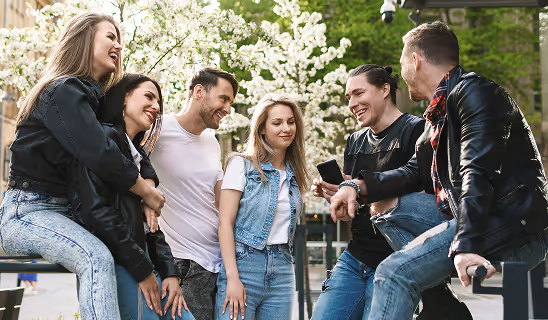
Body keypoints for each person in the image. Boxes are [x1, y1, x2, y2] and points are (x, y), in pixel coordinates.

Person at [329, 21, 548, 320]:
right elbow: (411, 173)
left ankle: (435, 297)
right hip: (468, 216)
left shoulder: (475, 92)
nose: (401, 74)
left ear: (415, 60)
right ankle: (438, 299)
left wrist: (467, 245)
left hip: (513, 224)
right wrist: (355, 186)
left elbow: (477, 172)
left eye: (403, 62)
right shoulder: (435, 117)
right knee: (383, 206)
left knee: (392, 272)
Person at [0, 12, 165, 320]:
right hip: (28, 212)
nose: (118, 44)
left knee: (119, 253)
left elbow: (127, 148)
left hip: (68, 215)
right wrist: (144, 191)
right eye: (110, 37)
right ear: (85, 39)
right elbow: (100, 153)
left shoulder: (94, 101)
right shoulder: (62, 90)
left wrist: (149, 189)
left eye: (120, 39)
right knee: (95, 257)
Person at [310, 64, 471, 320]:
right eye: (348, 97)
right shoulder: (354, 141)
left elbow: (424, 200)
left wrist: (360, 188)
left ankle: (438, 294)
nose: (352, 103)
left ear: (385, 89)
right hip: (356, 256)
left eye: (359, 93)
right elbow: (361, 206)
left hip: (396, 259)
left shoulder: (417, 130)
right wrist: (342, 196)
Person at [70, 74, 195, 320]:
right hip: (121, 264)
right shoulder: (103, 142)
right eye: (148, 97)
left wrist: (169, 272)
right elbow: (96, 210)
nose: (157, 107)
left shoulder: (137, 156)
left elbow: (150, 225)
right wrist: (142, 270)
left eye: (159, 102)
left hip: (145, 264)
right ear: (125, 98)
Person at [149, 68, 239, 320]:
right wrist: (146, 196)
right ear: (199, 92)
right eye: (223, 99)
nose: (228, 109)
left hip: (219, 264)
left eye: (230, 102)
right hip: (184, 264)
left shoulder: (212, 140)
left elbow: (219, 200)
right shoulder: (157, 129)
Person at [215, 94, 309, 320]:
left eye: (291, 121)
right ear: (262, 129)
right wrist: (232, 278)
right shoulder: (241, 165)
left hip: (283, 269)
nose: (286, 128)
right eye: (277, 123)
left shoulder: (295, 174)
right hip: (244, 266)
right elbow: (225, 223)